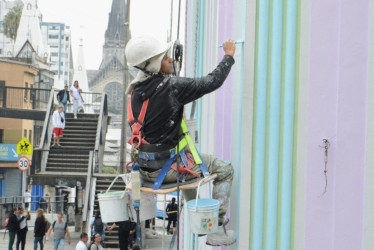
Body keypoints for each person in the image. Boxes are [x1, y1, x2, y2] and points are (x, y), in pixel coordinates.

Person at [125, 36, 236, 246]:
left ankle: (202, 221)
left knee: (188, 172)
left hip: (145, 169)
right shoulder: (172, 87)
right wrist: (228, 56)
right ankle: (215, 228)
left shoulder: (135, 94)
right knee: (224, 169)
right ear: (154, 64)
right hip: (166, 170)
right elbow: (212, 81)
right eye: (165, 58)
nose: (170, 60)